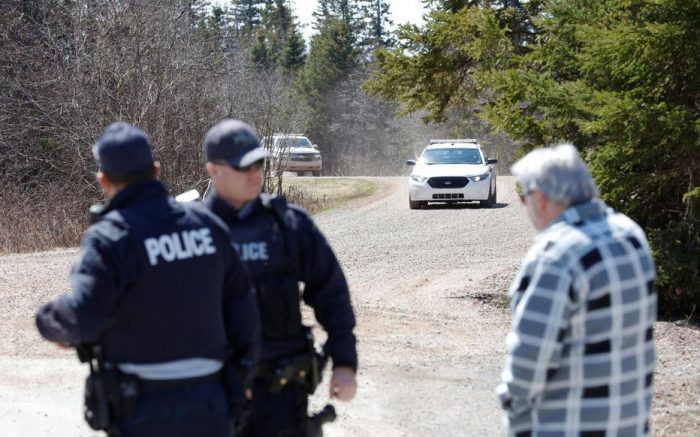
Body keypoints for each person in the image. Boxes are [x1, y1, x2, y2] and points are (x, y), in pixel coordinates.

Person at [35, 122, 260, 437]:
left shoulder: (111, 237)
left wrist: (47, 319)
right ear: (156, 170)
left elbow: (84, 317)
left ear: (104, 181)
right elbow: (243, 307)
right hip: (212, 404)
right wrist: (244, 375)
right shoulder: (207, 225)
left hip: (143, 409)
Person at [202, 119, 358, 436]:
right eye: (243, 166)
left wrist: (345, 363)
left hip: (281, 392)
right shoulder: (190, 231)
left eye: (258, 163)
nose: (255, 173)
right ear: (214, 170)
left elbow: (331, 294)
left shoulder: (288, 224)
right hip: (213, 392)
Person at [496, 144, 657, 436]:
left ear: (540, 198)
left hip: (569, 426)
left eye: (524, 198)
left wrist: (510, 403)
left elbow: (530, 358)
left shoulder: (555, 254)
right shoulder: (632, 235)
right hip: (628, 424)